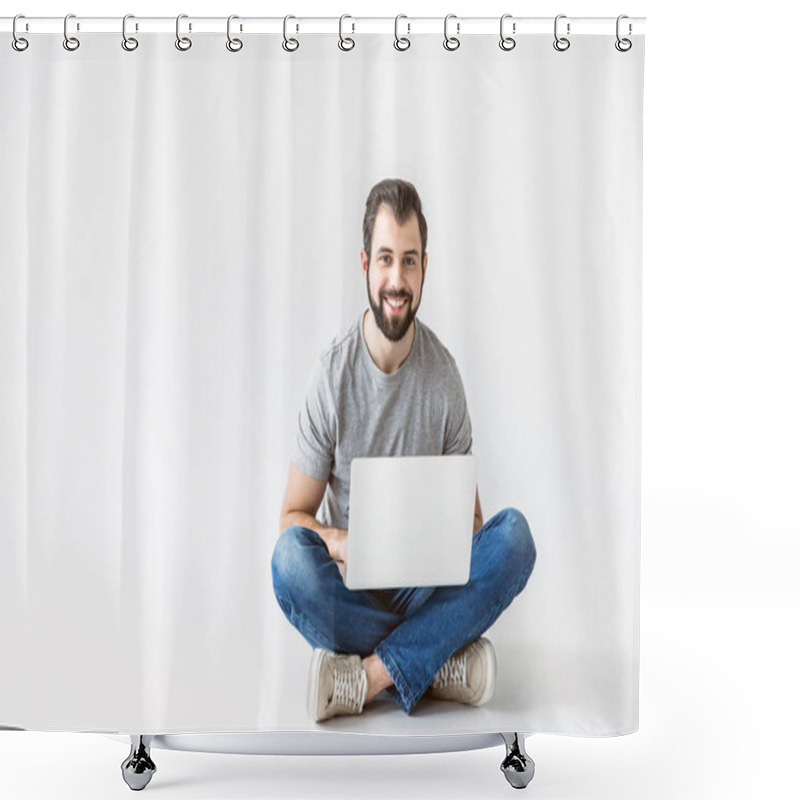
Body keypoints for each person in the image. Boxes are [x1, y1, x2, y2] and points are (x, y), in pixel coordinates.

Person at [271, 178, 536, 722]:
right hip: (353, 592)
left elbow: (478, 524)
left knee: (513, 539)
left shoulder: (444, 378)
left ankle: (369, 675)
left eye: (410, 261)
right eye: (387, 258)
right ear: (365, 263)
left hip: (424, 588)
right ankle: (434, 660)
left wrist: (430, 535)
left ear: (424, 268)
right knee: (290, 563)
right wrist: (343, 541)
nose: (397, 279)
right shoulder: (332, 376)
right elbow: (291, 518)